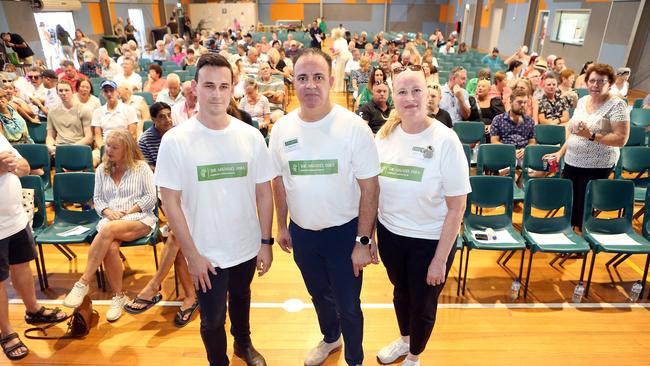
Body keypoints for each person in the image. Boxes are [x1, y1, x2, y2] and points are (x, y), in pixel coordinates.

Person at [155, 53, 274, 366]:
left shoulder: (250, 135)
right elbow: (170, 202)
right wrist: (192, 255)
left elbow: (264, 191)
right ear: (194, 87)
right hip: (205, 252)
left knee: (242, 298)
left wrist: (265, 242)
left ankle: (243, 345)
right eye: (209, 85)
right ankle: (217, 361)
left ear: (233, 88)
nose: (217, 94)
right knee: (211, 318)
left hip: (246, 245)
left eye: (224, 86)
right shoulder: (175, 140)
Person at [269, 48, 380, 366]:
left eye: (318, 77)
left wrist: (363, 241)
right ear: (294, 81)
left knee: (348, 304)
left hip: (344, 234)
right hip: (303, 235)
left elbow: (370, 187)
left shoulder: (353, 128)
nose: (310, 85)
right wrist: (281, 224)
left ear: (331, 80)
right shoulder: (282, 129)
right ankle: (331, 339)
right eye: (302, 78)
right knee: (320, 296)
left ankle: (355, 359)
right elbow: (278, 181)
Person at [374, 66, 469, 366]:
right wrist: (369, 237)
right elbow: (373, 190)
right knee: (401, 294)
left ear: (428, 94)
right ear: (393, 96)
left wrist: (440, 259)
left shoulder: (445, 140)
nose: (410, 98)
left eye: (416, 90)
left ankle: (414, 357)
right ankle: (404, 341)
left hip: (429, 240)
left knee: (423, 304)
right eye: (402, 91)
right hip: (391, 235)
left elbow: (457, 207)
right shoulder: (385, 135)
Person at [62, 129, 157, 321]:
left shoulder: (141, 168)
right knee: (111, 248)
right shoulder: (101, 170)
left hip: (139, 219)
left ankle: (83, 282)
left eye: (115, 147)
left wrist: (128, 212)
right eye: (108, 147)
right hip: (111, 220)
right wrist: (108, 212)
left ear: (127, 149)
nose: (109, 151)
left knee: (108, 230)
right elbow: (98, 199)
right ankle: (119, 297)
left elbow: (150, 197)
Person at [0, 133, 67, 361]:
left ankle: (33, 310)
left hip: (16, 220)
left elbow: (26, 167)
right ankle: (6, 331)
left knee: (22, 267)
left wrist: (14, 166)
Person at [544, 64, 629, 228]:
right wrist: (560, 153)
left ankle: (581, 241)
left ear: (610, 83)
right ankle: (569, 234)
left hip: (596, 164)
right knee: (570, 201)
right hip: (572, 161)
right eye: (592, 81)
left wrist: (591, 136)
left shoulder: (617, 105)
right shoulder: (582, 101)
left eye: (601, 82)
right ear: (586, 82)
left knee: (584, 205)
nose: (595, 85)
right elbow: (575, 132)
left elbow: (620, 139)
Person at [45, 80, 93, 157]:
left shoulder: (84, 110)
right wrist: (50, 147)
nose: (64, 93)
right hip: (59, 147)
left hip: (78, 146)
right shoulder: (52, 111)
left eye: (66, 90)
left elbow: (89, 137)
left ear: (72, 92)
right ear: (57, 93)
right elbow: (50, 135)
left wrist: (69, 149)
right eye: (60, 91)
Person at [490, 89, 536, 165]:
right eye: (519, 102)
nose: (523, 105)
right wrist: (511, 150)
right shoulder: (498, 119)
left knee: (542, 168)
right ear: (511, 102)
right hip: (505, 154)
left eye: (525, 102)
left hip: (524, 155)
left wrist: (526, 150)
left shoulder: (530, 121)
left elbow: (532, 142)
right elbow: (494, 141)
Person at [91, 80, 138, 148]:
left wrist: (119, 149)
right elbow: (98, 136)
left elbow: (132, 134)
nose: (109, 94)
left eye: (111, 90)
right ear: (102, 94)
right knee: (93, 157)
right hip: (105, 147)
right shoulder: (97, 112)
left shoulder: (129, 110)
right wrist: (104, 149)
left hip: (125, 147)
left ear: (117, 92)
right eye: (106, 91)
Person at [331, 28, 351, 92]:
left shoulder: (336, 41)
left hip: (342, 57)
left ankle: (339, 89)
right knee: (345, 74)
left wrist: (332, 54)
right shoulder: (344, 40)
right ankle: (345, 88)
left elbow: (338, 51)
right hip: (348, 56)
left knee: (339, 73)